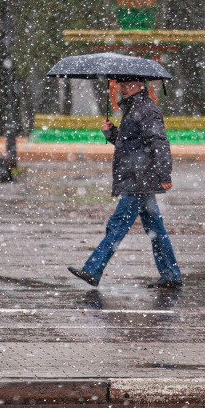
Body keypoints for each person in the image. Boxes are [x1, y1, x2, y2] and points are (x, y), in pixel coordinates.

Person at [68, 78, 182, 289]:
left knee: (118, 224)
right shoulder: (134, 109)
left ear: (140, 85)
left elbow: (159, 142)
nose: (123, 88)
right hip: (138, 177)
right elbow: (130, 143)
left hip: (139, 179)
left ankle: (93, 269)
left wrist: (164, 174)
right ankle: (171, 274)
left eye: (128, 84)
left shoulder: (147, 110)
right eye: (122, 85)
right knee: (155, 229)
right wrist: (112, 133)